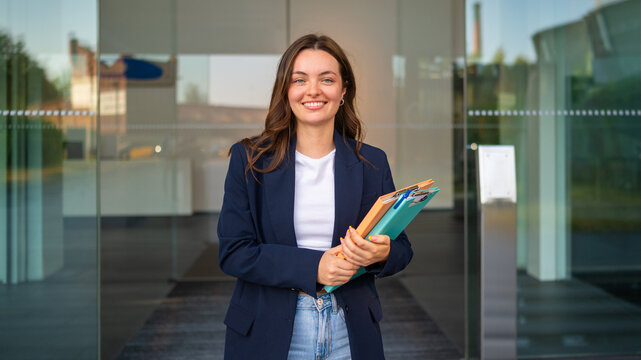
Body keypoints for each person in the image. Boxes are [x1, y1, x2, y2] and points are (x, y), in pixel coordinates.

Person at [218, 34, 413, 360]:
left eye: (327, 79)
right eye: (300, 79)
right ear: (286, 90)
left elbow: (402, 249)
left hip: (348, 331)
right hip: (269, 328)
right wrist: (314, 267)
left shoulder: (372, 162)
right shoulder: (249, 159)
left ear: (343, 90)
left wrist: (380, 253)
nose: (313, 90)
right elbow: (234, 251)